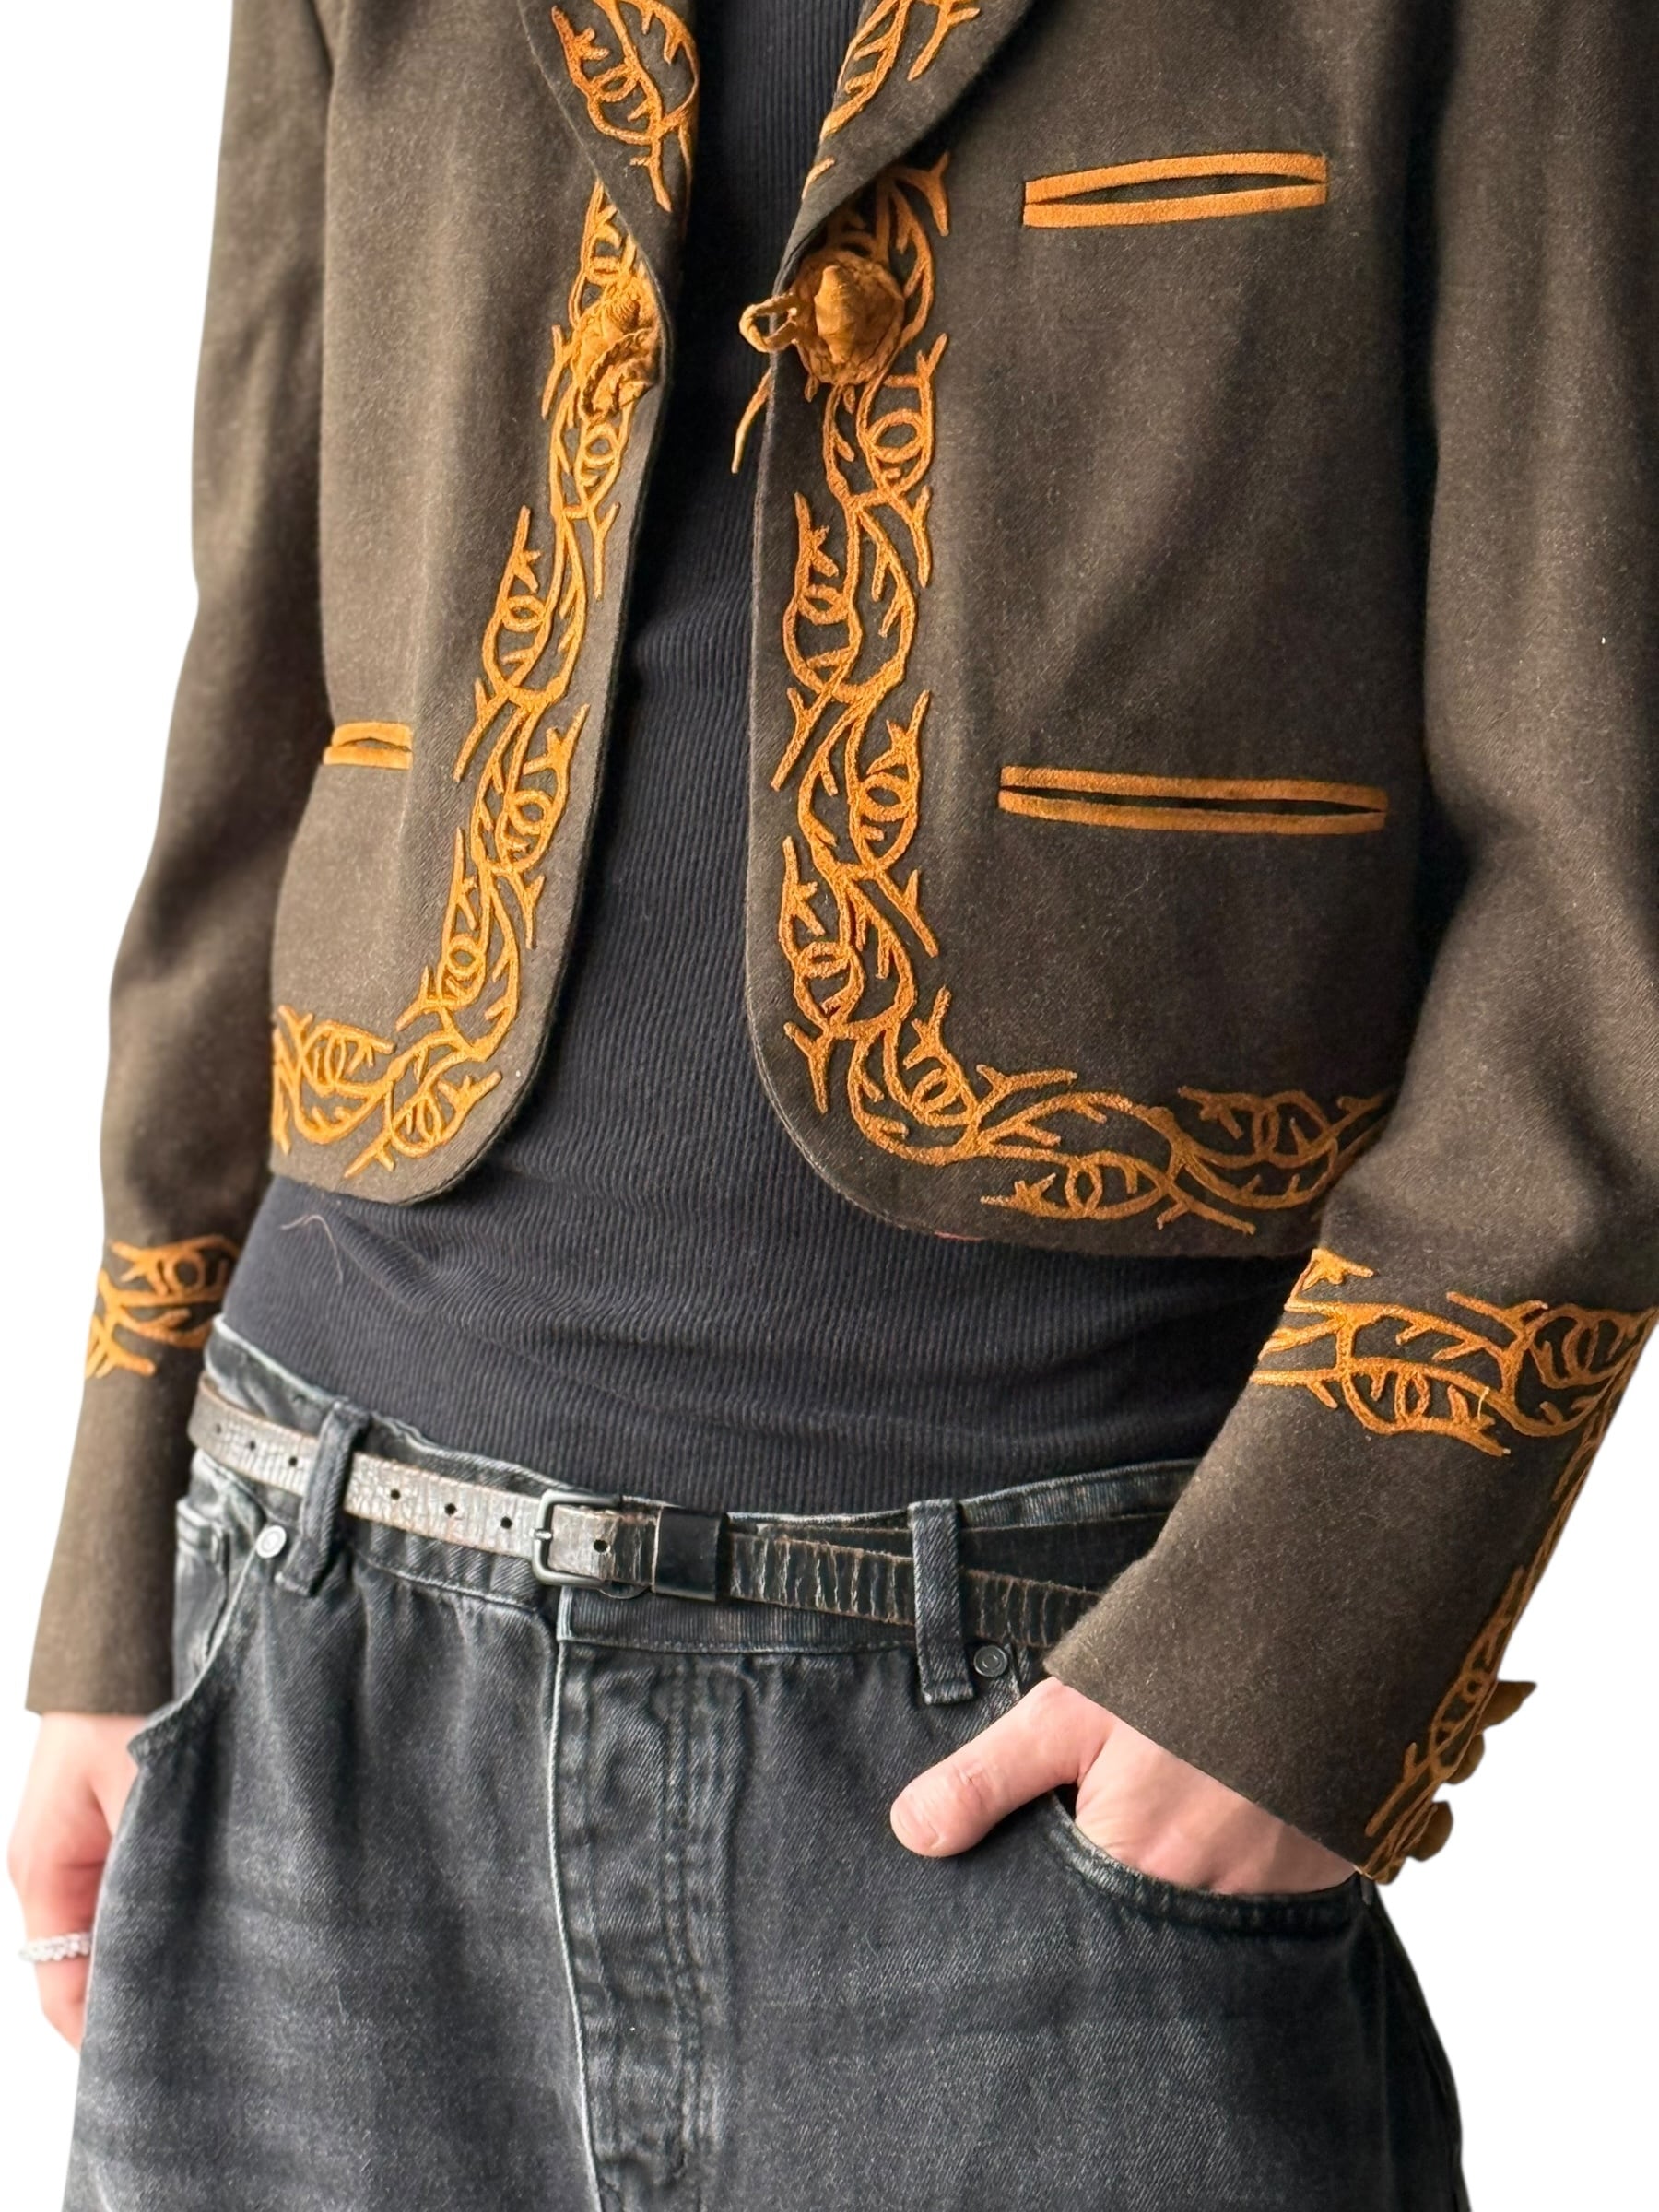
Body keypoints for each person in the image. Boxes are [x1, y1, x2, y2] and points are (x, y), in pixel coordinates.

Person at [10, 1, 1656, 2205]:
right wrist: (116, 1578)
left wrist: (1298, 1652)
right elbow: (262, 712)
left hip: (1051, 1730)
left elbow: (1609, 858)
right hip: (317, 1666)